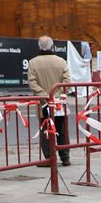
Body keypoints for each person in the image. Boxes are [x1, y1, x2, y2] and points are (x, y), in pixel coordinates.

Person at [28, 35, 72, 166]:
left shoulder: (33, 63)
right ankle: (65, 157)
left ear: (39, 47)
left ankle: (49, 158)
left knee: (46, 130)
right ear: (52, 46)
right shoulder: (61, 61)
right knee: (62, 130)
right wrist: (56, 95)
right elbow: (67, 83)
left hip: (43, 103)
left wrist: (46, 96)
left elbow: (32, 83)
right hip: (59, 103)